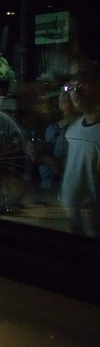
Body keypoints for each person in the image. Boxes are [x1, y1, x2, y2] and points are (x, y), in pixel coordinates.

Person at [59, 65, 100, 237]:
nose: (75, 92)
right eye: (71, 88)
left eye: (81, 87)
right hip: (69, 210)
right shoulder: (73, 128)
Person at [28, 85, 81, 199]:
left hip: (65, 192)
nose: (64, 95)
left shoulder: (78, 131)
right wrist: (33, 151)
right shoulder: (52, 128)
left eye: (70, 91)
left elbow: (63, 168)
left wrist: (43, 157)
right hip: (45, 188)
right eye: (63, 91)